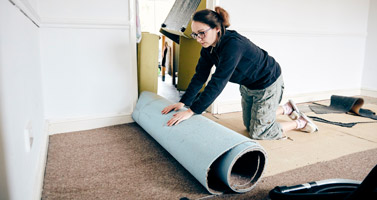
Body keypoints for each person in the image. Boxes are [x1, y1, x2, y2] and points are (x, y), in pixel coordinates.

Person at [161, 7, 318, 140]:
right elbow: (200, 75)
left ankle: (300, 122)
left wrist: (192, 111)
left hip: (267, 83)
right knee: (248, 125)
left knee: (259, 132)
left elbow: (218, 81)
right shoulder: (208, 47)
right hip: (248, 85)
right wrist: (184, 102)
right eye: (195, 34)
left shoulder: (233, 45)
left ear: (217, 28)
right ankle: (287, 109)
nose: (198, 39)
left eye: (202, 33)